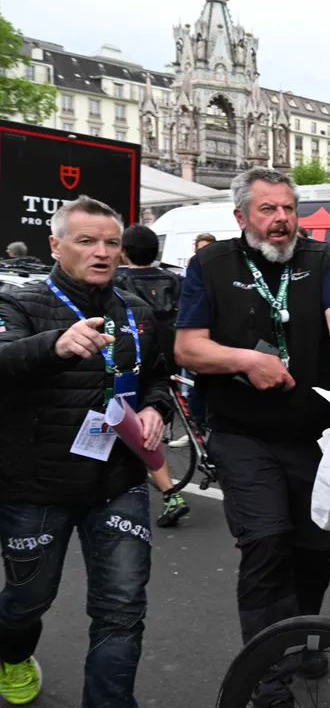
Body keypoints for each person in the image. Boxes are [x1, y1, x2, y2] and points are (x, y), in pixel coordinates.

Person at [174, 167, 330, 701]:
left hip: (312, 435)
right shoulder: (210, 264)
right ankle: (267, 680)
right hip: (242, 434)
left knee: (312, 548)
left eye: (288, 208)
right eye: (268, 210)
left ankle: (303, 635)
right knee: (266, 542)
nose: (282, 220)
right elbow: (188, 347)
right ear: (241, 217)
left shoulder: (323, 259)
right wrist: (244, 361)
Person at [0, 195, 173, 706]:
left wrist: (157, 409)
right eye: (86, 241)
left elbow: (158, 378)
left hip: (117, 484)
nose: (102, 252)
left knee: (121, 609)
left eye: (111, 243)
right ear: (55, 246)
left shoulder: (137, 312)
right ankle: (10, 653)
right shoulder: (20, 302)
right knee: (28, 601)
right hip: (35, 489)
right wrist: (53, 346)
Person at [113, 224, 191, 527]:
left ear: (124, 251)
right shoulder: (173, 277)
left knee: (141, 424)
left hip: (139, 355)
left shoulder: (119, 280)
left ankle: (171, 492)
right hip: (174, 349)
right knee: (172, 398)